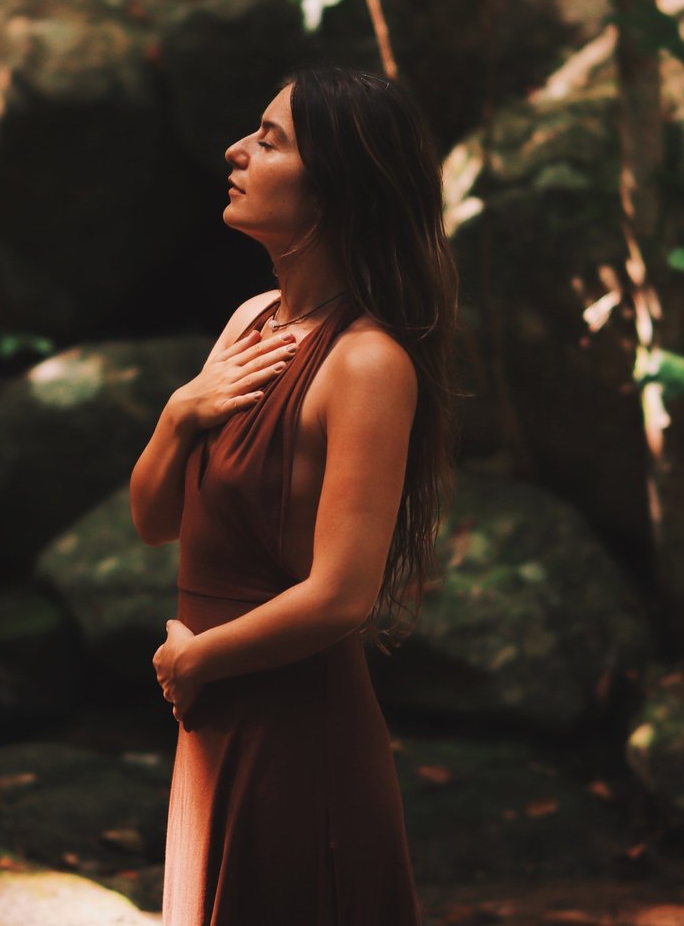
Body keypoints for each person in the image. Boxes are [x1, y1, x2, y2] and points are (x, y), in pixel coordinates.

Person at [129, 65, 461, 924]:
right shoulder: (250, 322)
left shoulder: (368, 362)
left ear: (336, 192)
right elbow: (154, 519)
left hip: (294, 729)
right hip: (211, 716)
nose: (236, 151)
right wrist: (179, 412)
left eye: (270, 140)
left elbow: (343, 596)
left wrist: (197, 658)